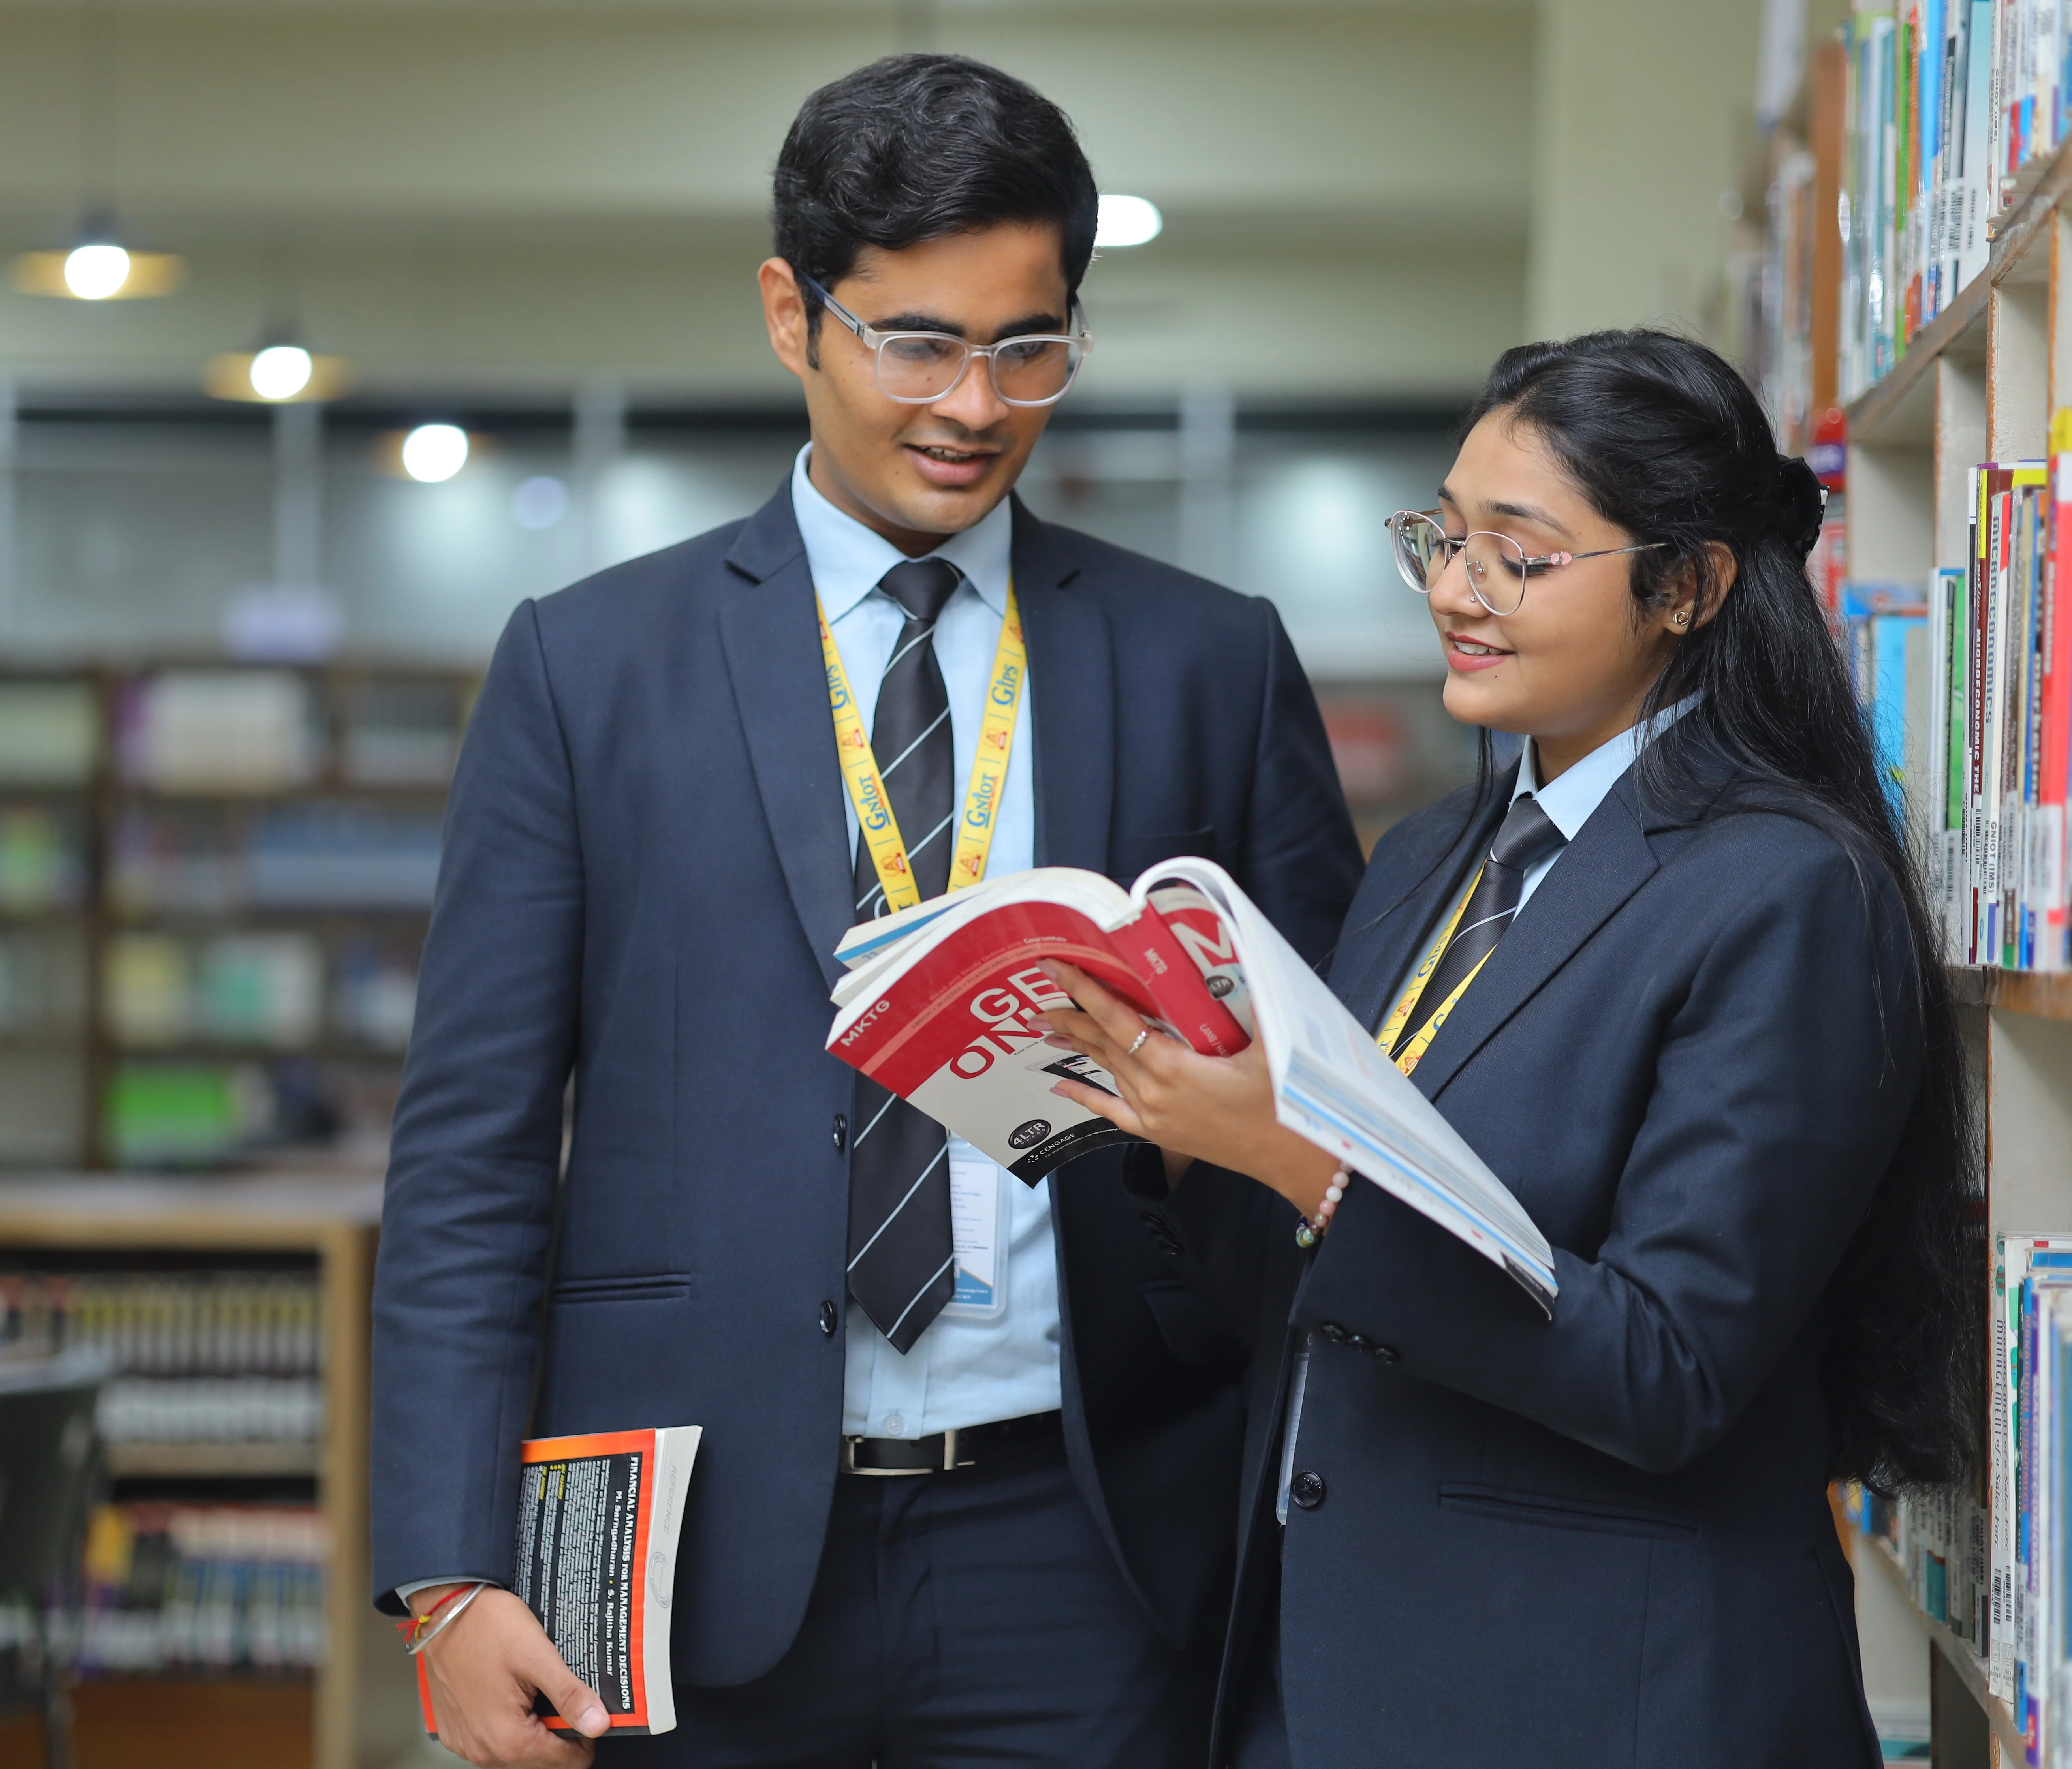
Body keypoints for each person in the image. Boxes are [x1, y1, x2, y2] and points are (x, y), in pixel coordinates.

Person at [370, 53, 1362, 1769]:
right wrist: (447, 1578)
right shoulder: (588, 666)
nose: (973, 405)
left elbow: (1340, 1102)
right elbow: (466, 1149)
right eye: (915, 341)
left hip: (1093, 1539)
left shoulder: (1204, 658)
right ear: (789, 314)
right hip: (693, 1549)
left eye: (1027, 344)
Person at [1032, 329, 1983, 1768]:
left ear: (1687, 584)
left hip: (1595, 1688)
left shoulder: (1784, 889)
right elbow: (1309, 1302)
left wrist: (1295, 1162)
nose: (1448, 593)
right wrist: (1188, 1140)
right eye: (1438, 536)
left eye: (1514, 557)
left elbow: (1664, 1367)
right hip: (1335, 1663)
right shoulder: (1429, 859)